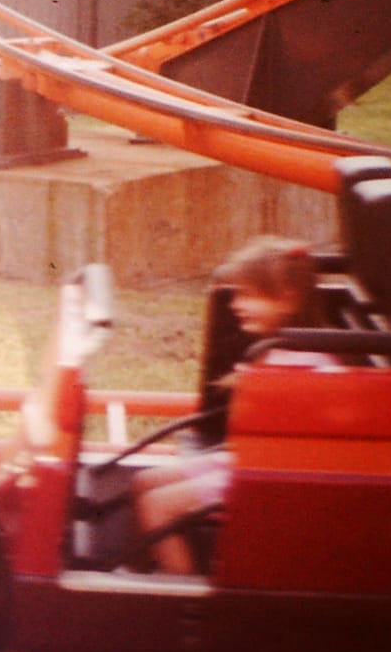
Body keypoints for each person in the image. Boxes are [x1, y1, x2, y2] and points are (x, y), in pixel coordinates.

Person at [131, 236, 336, 575]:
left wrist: (250, 389)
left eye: (249, 295)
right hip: (251, 460)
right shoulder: (280, 349)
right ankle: (140, 569)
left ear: (288, 299)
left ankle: (181, 598)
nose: (235, 304)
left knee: (156, 506)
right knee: (142, 482)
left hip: (270, 477)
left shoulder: (310, 362)